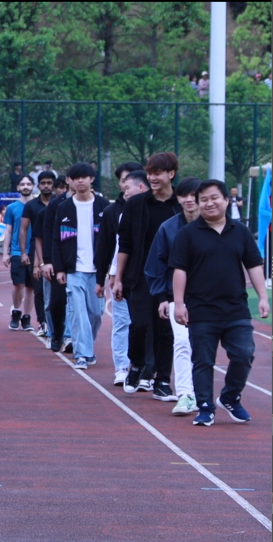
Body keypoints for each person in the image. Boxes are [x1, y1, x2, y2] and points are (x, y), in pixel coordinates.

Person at [170, 179, 269, 426]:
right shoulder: (188, 234)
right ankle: (205, 406)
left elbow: (254, 265)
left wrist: (263, 297)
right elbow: (179, 270)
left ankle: (230, 397)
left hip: (236, 308)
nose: (209, 203)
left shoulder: (241, 232)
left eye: (214, 198)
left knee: (244, 354)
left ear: (226, 200)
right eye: (203, 199)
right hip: (201, 309)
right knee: (203, 361)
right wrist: (179, 303)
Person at [114, 152, 181, 401]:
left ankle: (162, 381)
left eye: (158, 173)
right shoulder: (136, 204)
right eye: (150, 173)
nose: (152, 177)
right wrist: (118, 278)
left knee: (166, 330)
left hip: (172, 276)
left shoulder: (180, 205)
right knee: (140, 325)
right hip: (140, 275)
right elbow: (125, 243)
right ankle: (136, 365)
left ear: (171, 174)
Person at [144, 177, 201, 416]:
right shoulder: (168, 228)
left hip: (210, 299)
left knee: (205, 347)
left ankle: (205, 393)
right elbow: (155, 265)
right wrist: (162, 298)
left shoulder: (217, 227)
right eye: (183, 195)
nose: (189, 200)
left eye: (193, 195)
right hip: (177, 298)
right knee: (182, 342)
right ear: (177, 198)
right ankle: (186, 393)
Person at [50, 163, 108, 370]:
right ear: (70, 181)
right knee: (78, 312)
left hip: (97, 270)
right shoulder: (64, 207)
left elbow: (111, 239)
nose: (80, 181)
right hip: (73, 269)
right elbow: (56, 240)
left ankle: (87, 345)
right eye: (76, 178)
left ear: (92, 179)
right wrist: (59, 268)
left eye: (84, 177)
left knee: (95, 313)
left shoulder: (103, 206)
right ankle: (82, 353)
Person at [93, 162, 145, 386]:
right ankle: (122, 367)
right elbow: (106, 246)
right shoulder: (112, 212)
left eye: (131, 180)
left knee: (144, 325)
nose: (126, 185)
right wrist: (103, 277)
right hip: (120, 276)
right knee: (122, 322)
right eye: (124, 180)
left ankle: (145, 370)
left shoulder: (152, 209)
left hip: (145, 277)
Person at [40, 173, 73, 353]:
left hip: (82, 262)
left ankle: (71, 337)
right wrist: (46, 261)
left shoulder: (97, 203)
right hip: (58, 260)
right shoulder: (55, 205)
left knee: (86, 307)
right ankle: (57, 333)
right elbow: (46, 234)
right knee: (56, 301)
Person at [20, 169, 55, 336]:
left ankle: (57, 322)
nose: (46, 186)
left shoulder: (60, 203)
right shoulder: (31, 206)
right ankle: (43, 322)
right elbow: (23, 229)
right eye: (43, 183)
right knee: (39, 288)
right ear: (38, 186)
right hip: (37, 248)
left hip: (57, 248)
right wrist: (24, 252)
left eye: (49, 183)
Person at [2, 174, 36, 331]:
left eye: (28, 184)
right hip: (17, 251)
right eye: (23, 184)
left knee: (31, 286)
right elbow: (8, 231)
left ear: (33, 186)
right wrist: (5, 253)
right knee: (18, 284)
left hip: (35, 251)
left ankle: (27, 317)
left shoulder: (39, 206)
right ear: (18, 187)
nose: (26, 186)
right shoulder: (12, 208)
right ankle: (16, 312)